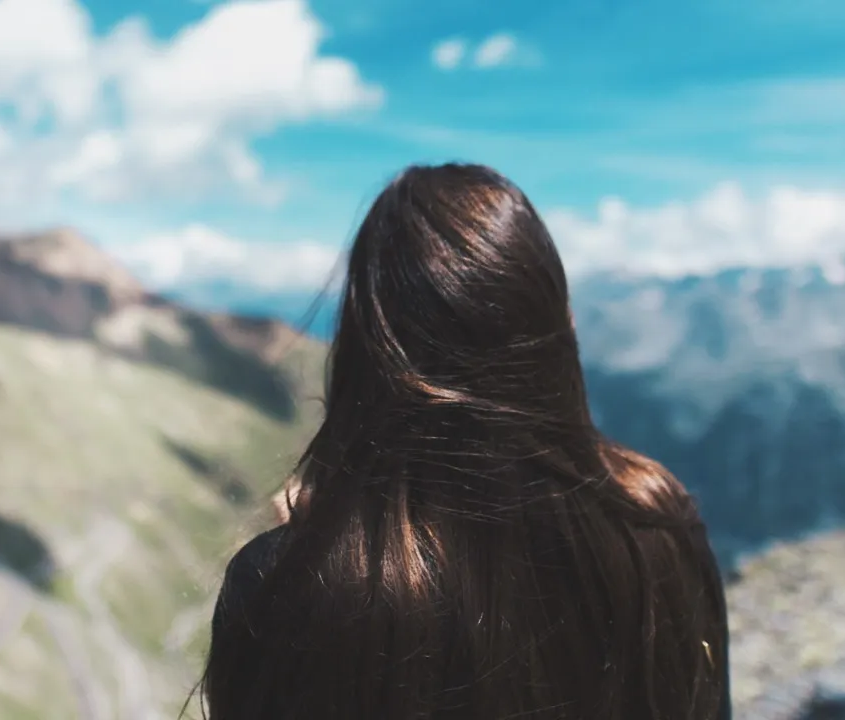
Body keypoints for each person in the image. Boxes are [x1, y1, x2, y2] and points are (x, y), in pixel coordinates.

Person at [191, 163, 732, 719]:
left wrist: (308, 553)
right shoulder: (660, 524)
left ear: (363, 352)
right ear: (560, 328)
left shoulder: (280, 586)